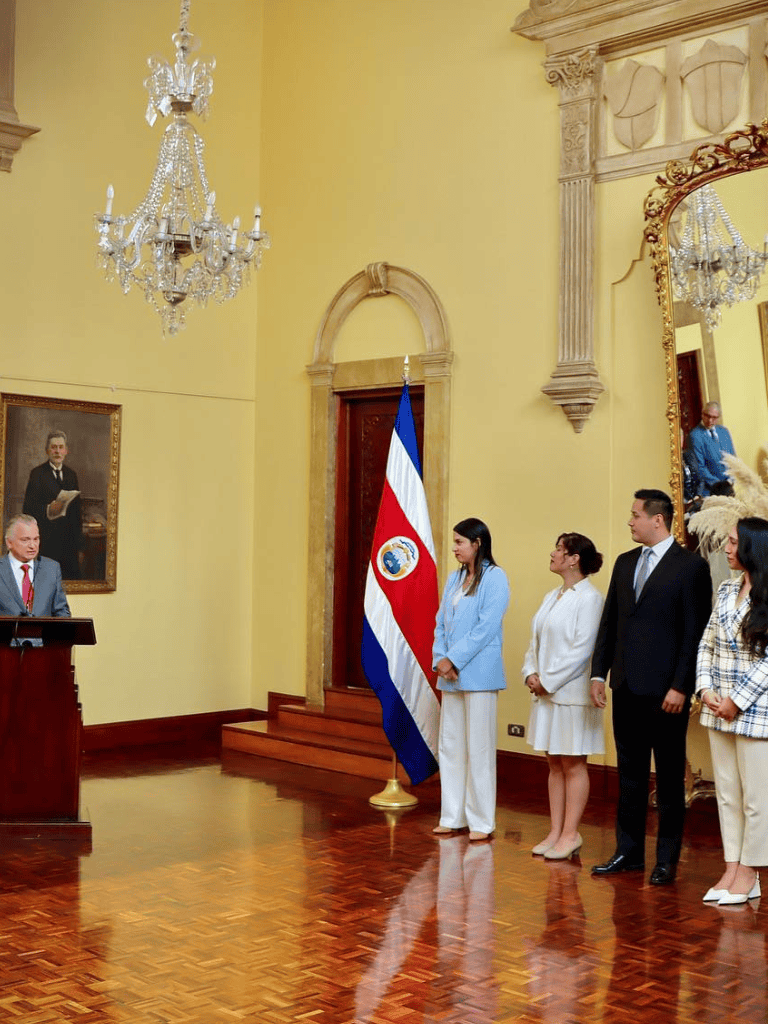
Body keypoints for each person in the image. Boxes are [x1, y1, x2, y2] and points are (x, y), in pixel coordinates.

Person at [589, 489, 712, 885]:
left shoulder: (690, 567)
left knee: (670, 779)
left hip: (667, 696)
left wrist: (682, 686)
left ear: (656, 519)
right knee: (629, 776)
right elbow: (610, 623)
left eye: (634, 514)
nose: (630, 521)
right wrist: (598, 673)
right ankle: (628, 853)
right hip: (624, 687)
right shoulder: (624, 564)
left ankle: (666, 860)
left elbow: (695, 633)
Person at [696, 517, 768, 906]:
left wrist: (735, 700)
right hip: (716, 707)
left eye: (733, 541)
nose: (726, 547)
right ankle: (731, 865)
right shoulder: (725, 589)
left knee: (757, 798)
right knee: (727, 793)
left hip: (755, 711)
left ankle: (751, 872)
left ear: (753, 548)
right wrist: (705, 689)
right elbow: (706, 644)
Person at [523, 533, 604, 860]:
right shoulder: (552, 595)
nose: (553, 553)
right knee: (554, 763)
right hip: (545, 693)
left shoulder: (590, 598)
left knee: (572, 763)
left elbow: (582, 650)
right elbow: (535, 641)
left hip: (570, 695)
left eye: (559, 549)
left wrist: (549, 681)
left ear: (574, 559)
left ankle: (571, 833)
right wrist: (530, 673)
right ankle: (555, 831)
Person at [432, 518, 509, 842]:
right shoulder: (454, 578)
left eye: (460, 542)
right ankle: (452, 816)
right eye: (454, 542)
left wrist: (455, 658)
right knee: (450, 746)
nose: (455, 548)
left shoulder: (495, 578)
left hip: (479, 673)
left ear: (477, 543)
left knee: (478, 747)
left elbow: (486, 627)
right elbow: (440, 623)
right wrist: (440, 659)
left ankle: (481, 821)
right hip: (450, 675)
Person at [22, 430, 83, 579]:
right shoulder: (37, 474)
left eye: (61, 447)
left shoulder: (71, 474)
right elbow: (28, 509)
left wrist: (80, 546)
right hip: (47, 543)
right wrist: (48, 509)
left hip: (69, 545)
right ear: (47, 450)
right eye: (54, 447)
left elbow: (77, 513)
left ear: (66, 451)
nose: (57, 451)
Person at [0, 514, 70, 617]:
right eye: (25, 540)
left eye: (36, 539)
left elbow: (62, 612)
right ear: (9, 542)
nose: (32, 546)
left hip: (45, 632)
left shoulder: (51, 568)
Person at [688, 402, 736, 496]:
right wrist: (719, 486)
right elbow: (699, 467)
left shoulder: (724, 431)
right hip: (710, 490)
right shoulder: (695, 435)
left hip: (729, 487)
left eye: (714, 417)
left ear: (718, 417)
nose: (710, 420)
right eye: (707, 416)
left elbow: (733, 458)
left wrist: (731, 480)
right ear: (702, 414)